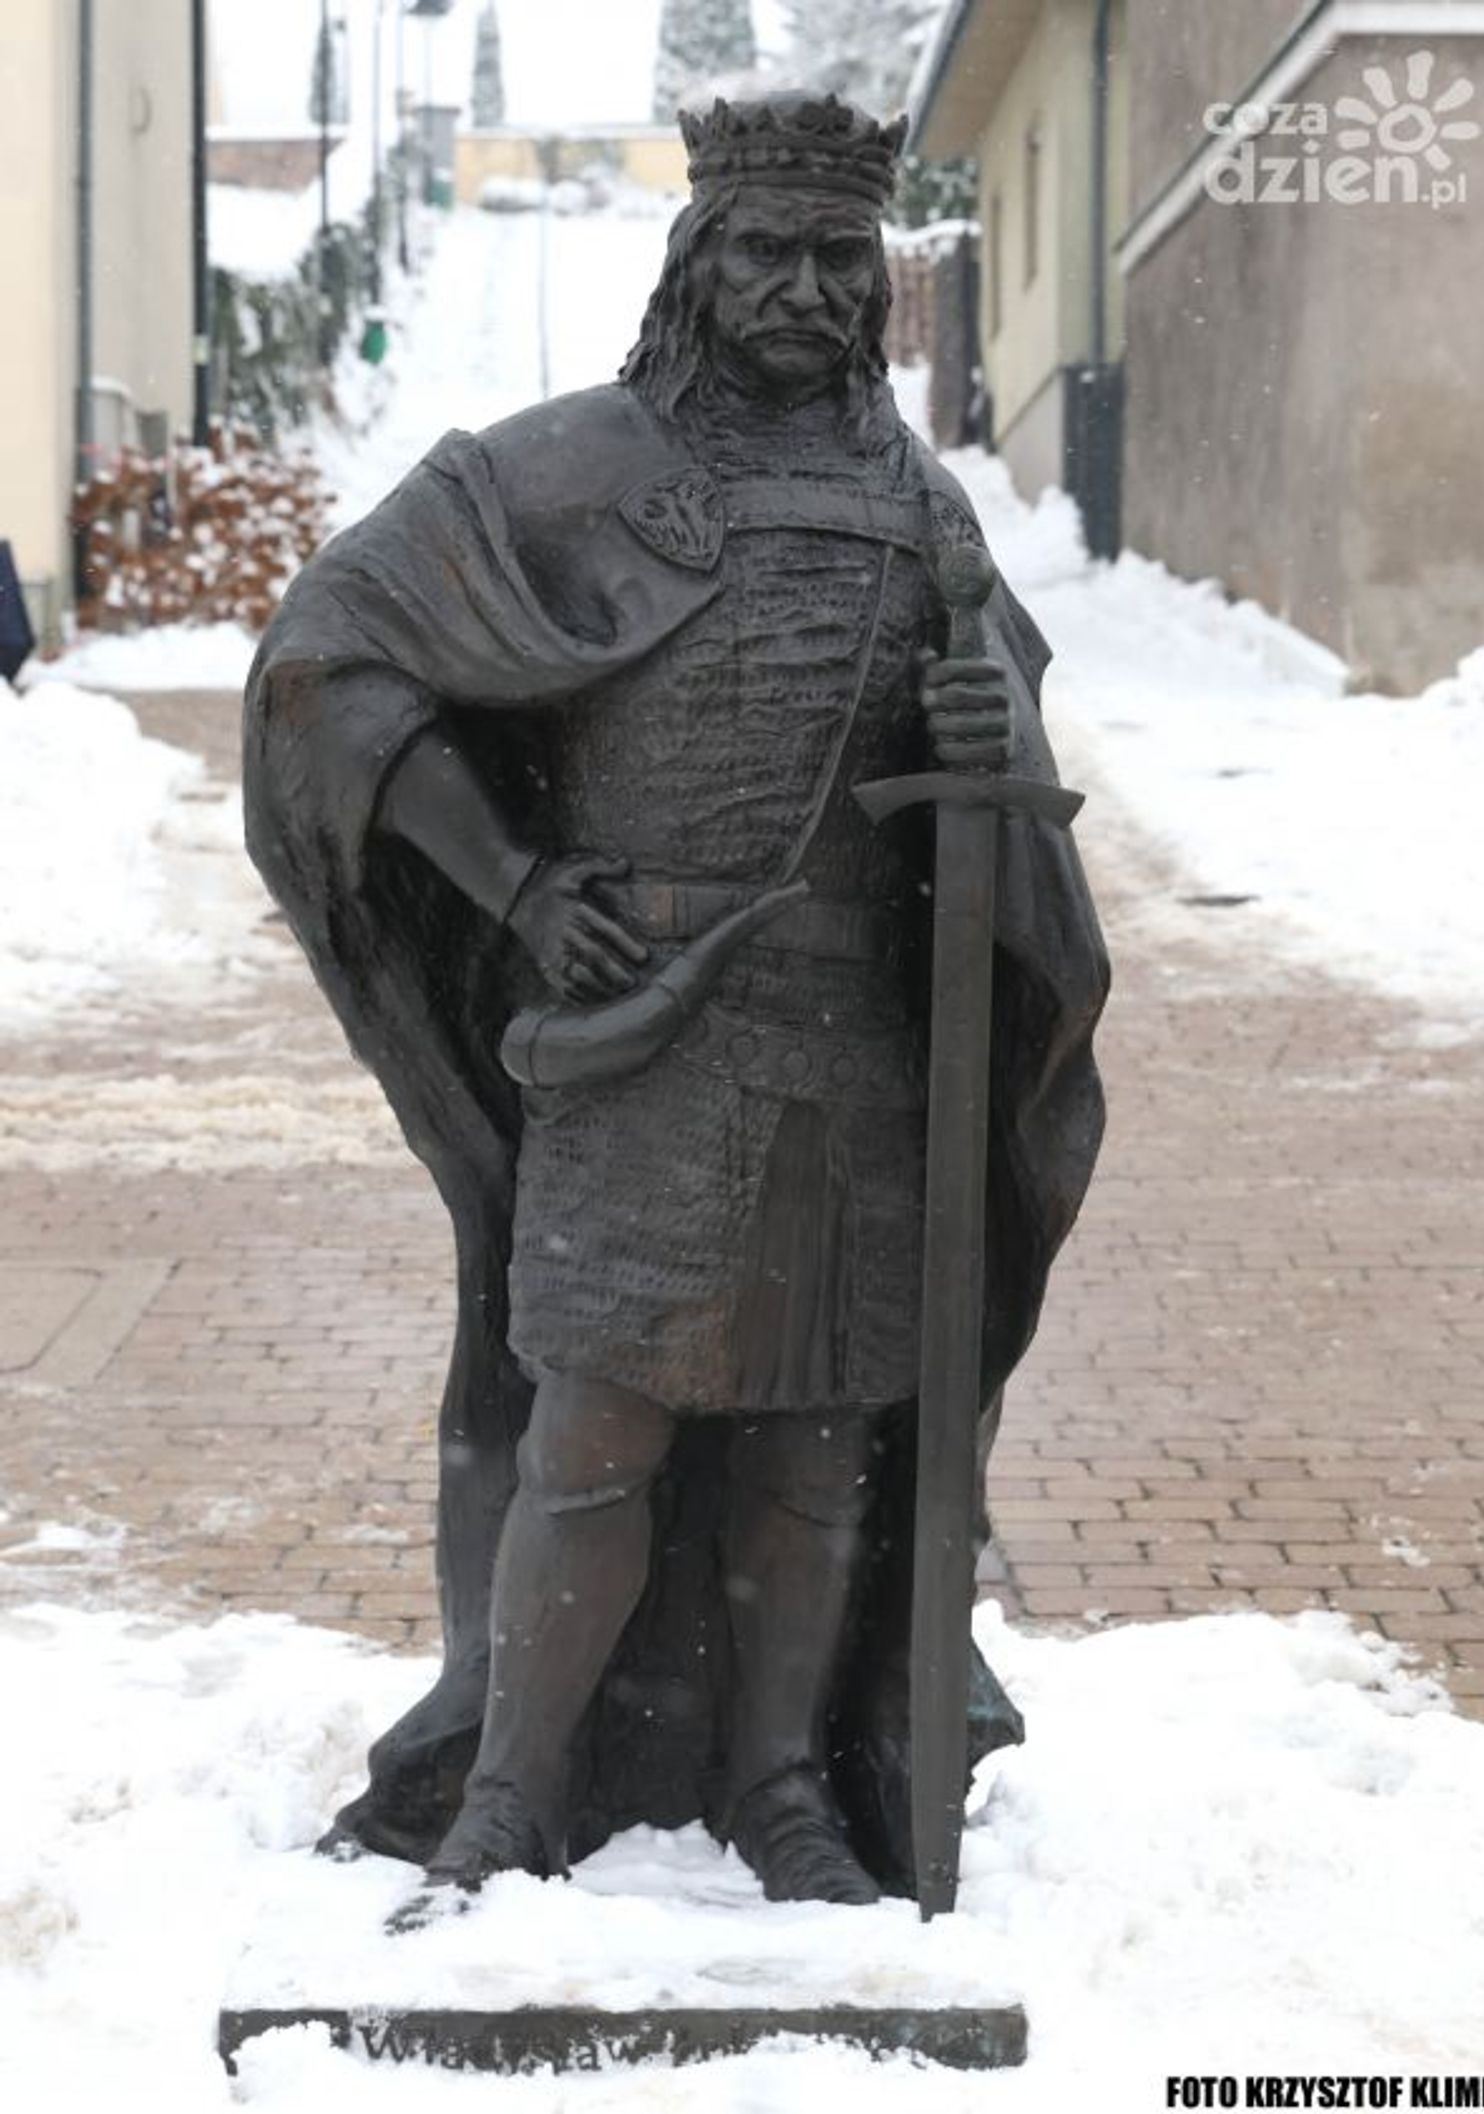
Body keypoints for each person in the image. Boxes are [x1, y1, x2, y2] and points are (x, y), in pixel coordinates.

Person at [244, 91, 1108, 1917]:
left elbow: (998, 779)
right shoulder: (560, 469)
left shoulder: (922, 512)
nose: (805, 288)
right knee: (594, 1433)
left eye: (837, 256)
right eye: (765, 251)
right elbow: (335, 661)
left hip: (854, 1046)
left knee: (817, 1444)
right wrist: (515, 883)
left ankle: (782, 1786)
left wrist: (986, 743)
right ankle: (509, 1792)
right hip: (645, 1040)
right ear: (696, 265)